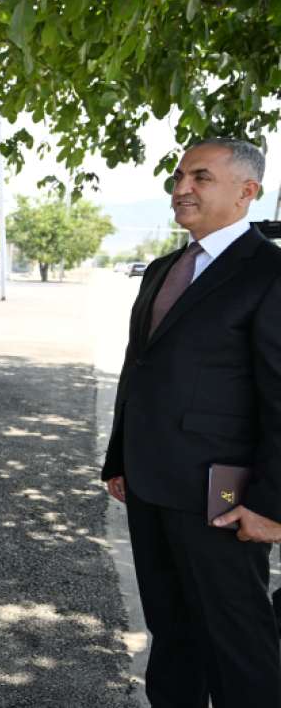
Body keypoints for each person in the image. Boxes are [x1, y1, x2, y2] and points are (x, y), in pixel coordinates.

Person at [102, 138, 281, 708]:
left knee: (236, 644)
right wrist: (119, 459)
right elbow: (139, 368)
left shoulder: (270, 272)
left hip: (224, 497)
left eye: (200, 177)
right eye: (179, 176)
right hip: (150, 486)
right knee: (172, 634)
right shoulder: (164, 269)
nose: (181, 188)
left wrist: (273, 505)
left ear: (247, 192)